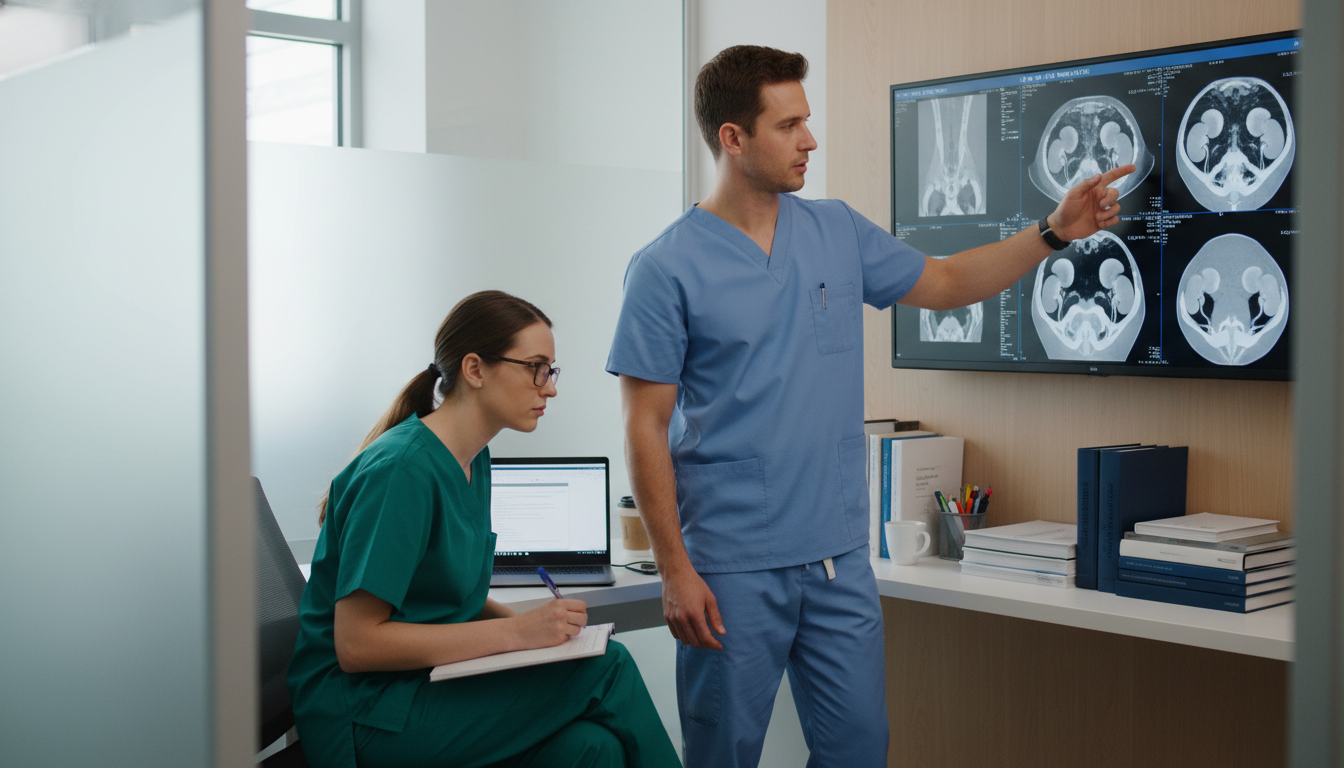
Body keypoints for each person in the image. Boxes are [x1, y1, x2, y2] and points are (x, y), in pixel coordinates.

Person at [606, 46, 1134, 767]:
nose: (810, 140)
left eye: (809, 121)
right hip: (730, 565)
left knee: (859, 749)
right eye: (789, 125)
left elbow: (945, 283)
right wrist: (674, 569)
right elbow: (645, 426)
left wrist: (1052, 232)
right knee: (723, 753)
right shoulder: (665, 267)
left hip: (836, 558)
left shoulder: (836, 230)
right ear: (733, 138)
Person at [288, 290, 680, 768]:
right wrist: (517, 635)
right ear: (474, 370)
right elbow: (356, 645)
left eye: (550, 371)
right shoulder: (402, 471)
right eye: (536, 367)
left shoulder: (475, 461)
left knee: (594, 748)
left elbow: (455, 600)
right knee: (609, 668)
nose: (549, 388)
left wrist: (537, 632)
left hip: (423, 687)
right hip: (365, 716)